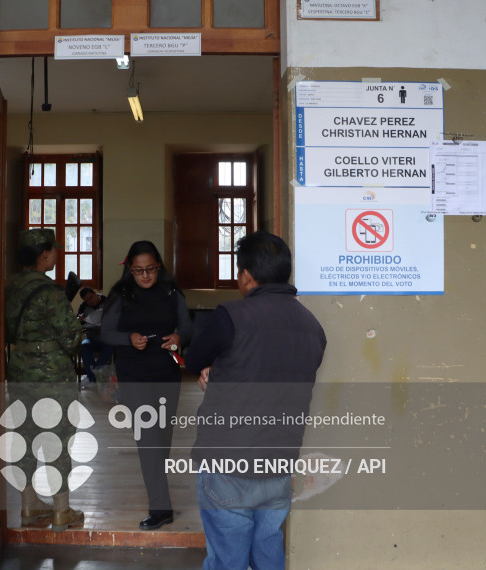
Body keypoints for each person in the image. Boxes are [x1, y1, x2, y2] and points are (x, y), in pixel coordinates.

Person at [184, 231, 327, 569]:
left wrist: (214, 376)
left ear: (246, 275)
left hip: (227, 464)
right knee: (267, 550)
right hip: (278, 464)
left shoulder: (231, 316)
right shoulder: (312, 326)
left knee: (228, 559)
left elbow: (193, 361)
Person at [101, 240, 193, 530]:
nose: (145, 276)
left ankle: (157, 489)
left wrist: (179, 338)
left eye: (150, 269)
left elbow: (188, 327)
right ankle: (160, 507)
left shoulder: (170, 291)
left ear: (159, 267)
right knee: (148, 438)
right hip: (134, 374)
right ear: (130, 269)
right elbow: (105, 332)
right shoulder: (121, 294)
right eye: (139, 270)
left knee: (162, 438)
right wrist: (128, 339)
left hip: (166, 373)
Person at [4, 228, 85, 532]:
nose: (56, 255)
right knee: (58, 437)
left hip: (20, 372)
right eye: (54, 250)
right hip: (53, 376)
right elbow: (72, 338)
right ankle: (61, 511)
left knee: (24, 437)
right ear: (44, 254)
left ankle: (28, 506)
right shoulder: (49, 291)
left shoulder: (7, 288)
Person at [76, 287, 114, 387]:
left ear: (94, 293)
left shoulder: (108, 302)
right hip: (91, 337)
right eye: (87, 301)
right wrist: (79, 321)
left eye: (91, 298)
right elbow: (77, 324)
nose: (90, 302)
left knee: (110, 348)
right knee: (84, 346)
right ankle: (93, 378)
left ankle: (91, 378)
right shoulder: (83, 306)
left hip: (107, 338)